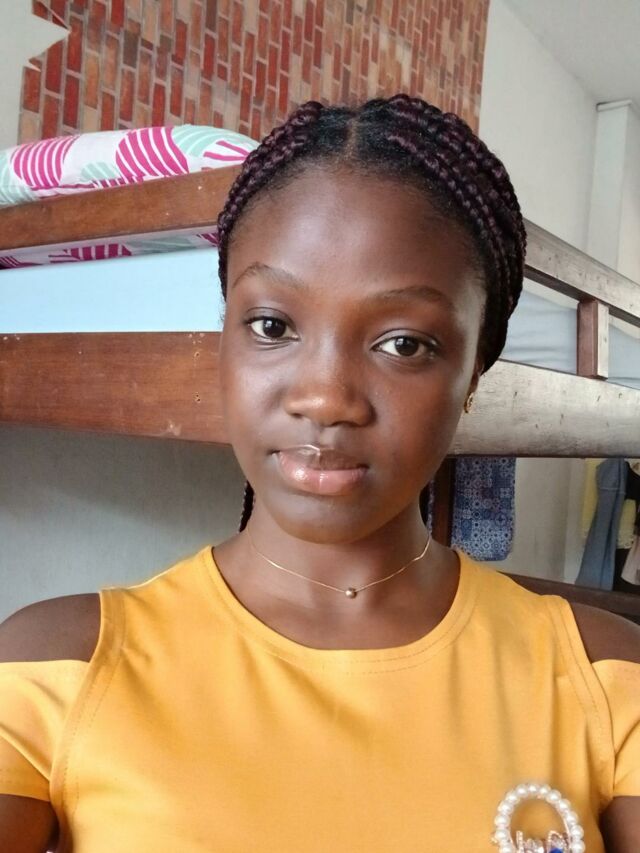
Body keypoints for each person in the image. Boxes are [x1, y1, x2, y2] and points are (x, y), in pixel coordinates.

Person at [0, 95, 638, 853]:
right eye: (272, 326)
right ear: (225, 338)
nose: (326, 397)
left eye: (404, 344)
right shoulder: (54, 663)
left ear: (473, 373)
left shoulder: (607, 676)